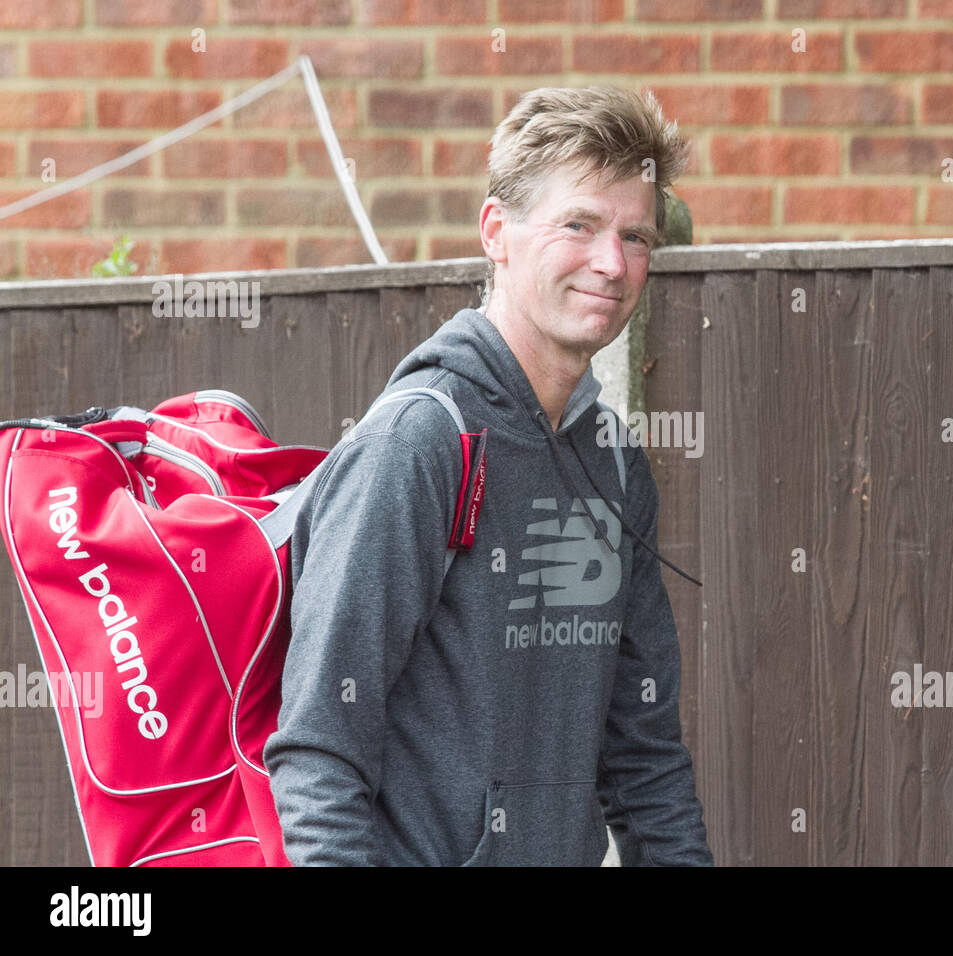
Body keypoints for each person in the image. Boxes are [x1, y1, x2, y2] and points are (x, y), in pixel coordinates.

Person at [263, 86, 714, 866]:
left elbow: (643, 758)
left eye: (635, 236)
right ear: (497, 233)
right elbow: (319, 746)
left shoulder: (611, 461)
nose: (612, 263)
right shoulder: (418, 443)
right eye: (579, 224)